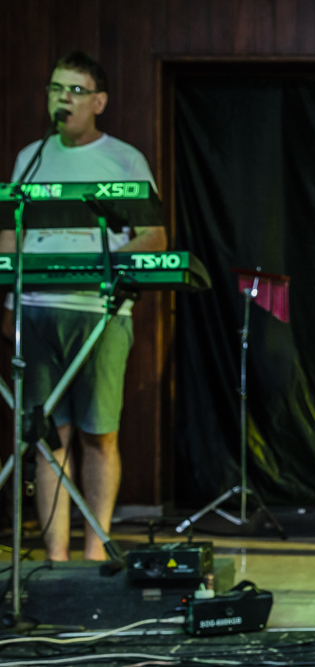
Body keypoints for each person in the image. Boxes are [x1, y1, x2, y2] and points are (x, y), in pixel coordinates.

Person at [1, 52, 167, 561]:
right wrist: (8, 299)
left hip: (100, 313)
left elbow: (155, 238)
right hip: (35, 308)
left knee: (99, 435)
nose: (63, 98)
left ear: (99, 102)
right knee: (48, 438)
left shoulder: (124, 159)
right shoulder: (31, 157)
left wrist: (102, 264)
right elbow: (10, 236)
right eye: (56, 88)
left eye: (75, 90)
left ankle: (96, 553)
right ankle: (55, 559)